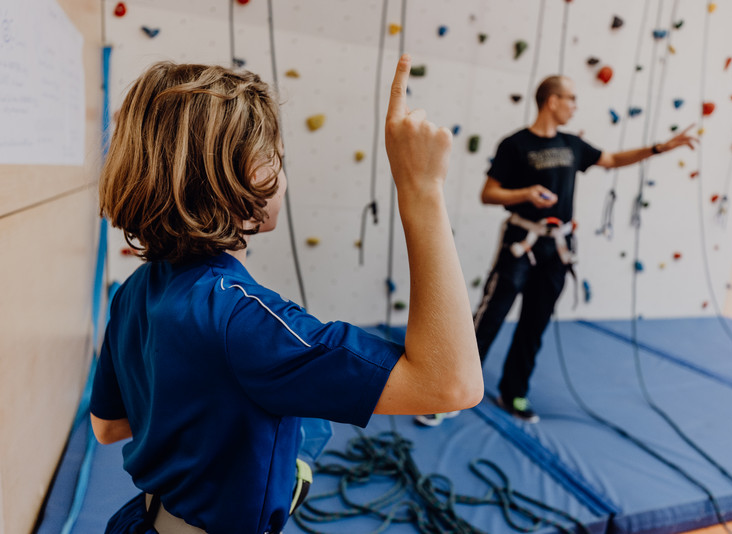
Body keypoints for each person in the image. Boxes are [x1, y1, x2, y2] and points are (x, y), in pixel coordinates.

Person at [90, 55, 482, 534]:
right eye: (274, 155)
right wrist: (422, 189)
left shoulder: (133, 289)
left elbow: (109, 427)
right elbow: (452, 384)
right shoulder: (243, 317)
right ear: (251, 174)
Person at [415, 74, 696, 427]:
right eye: (572, 99)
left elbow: (611, 159)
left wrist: (659, 148)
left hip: (557, 247)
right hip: (521, 242)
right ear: (552, 100)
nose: (576, 106)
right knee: (489, 317)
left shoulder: (572, 145)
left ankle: (513, 391)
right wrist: (526, 193)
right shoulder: (515, 145)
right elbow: (489, 194)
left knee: (535, 323)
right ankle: (447, 393)